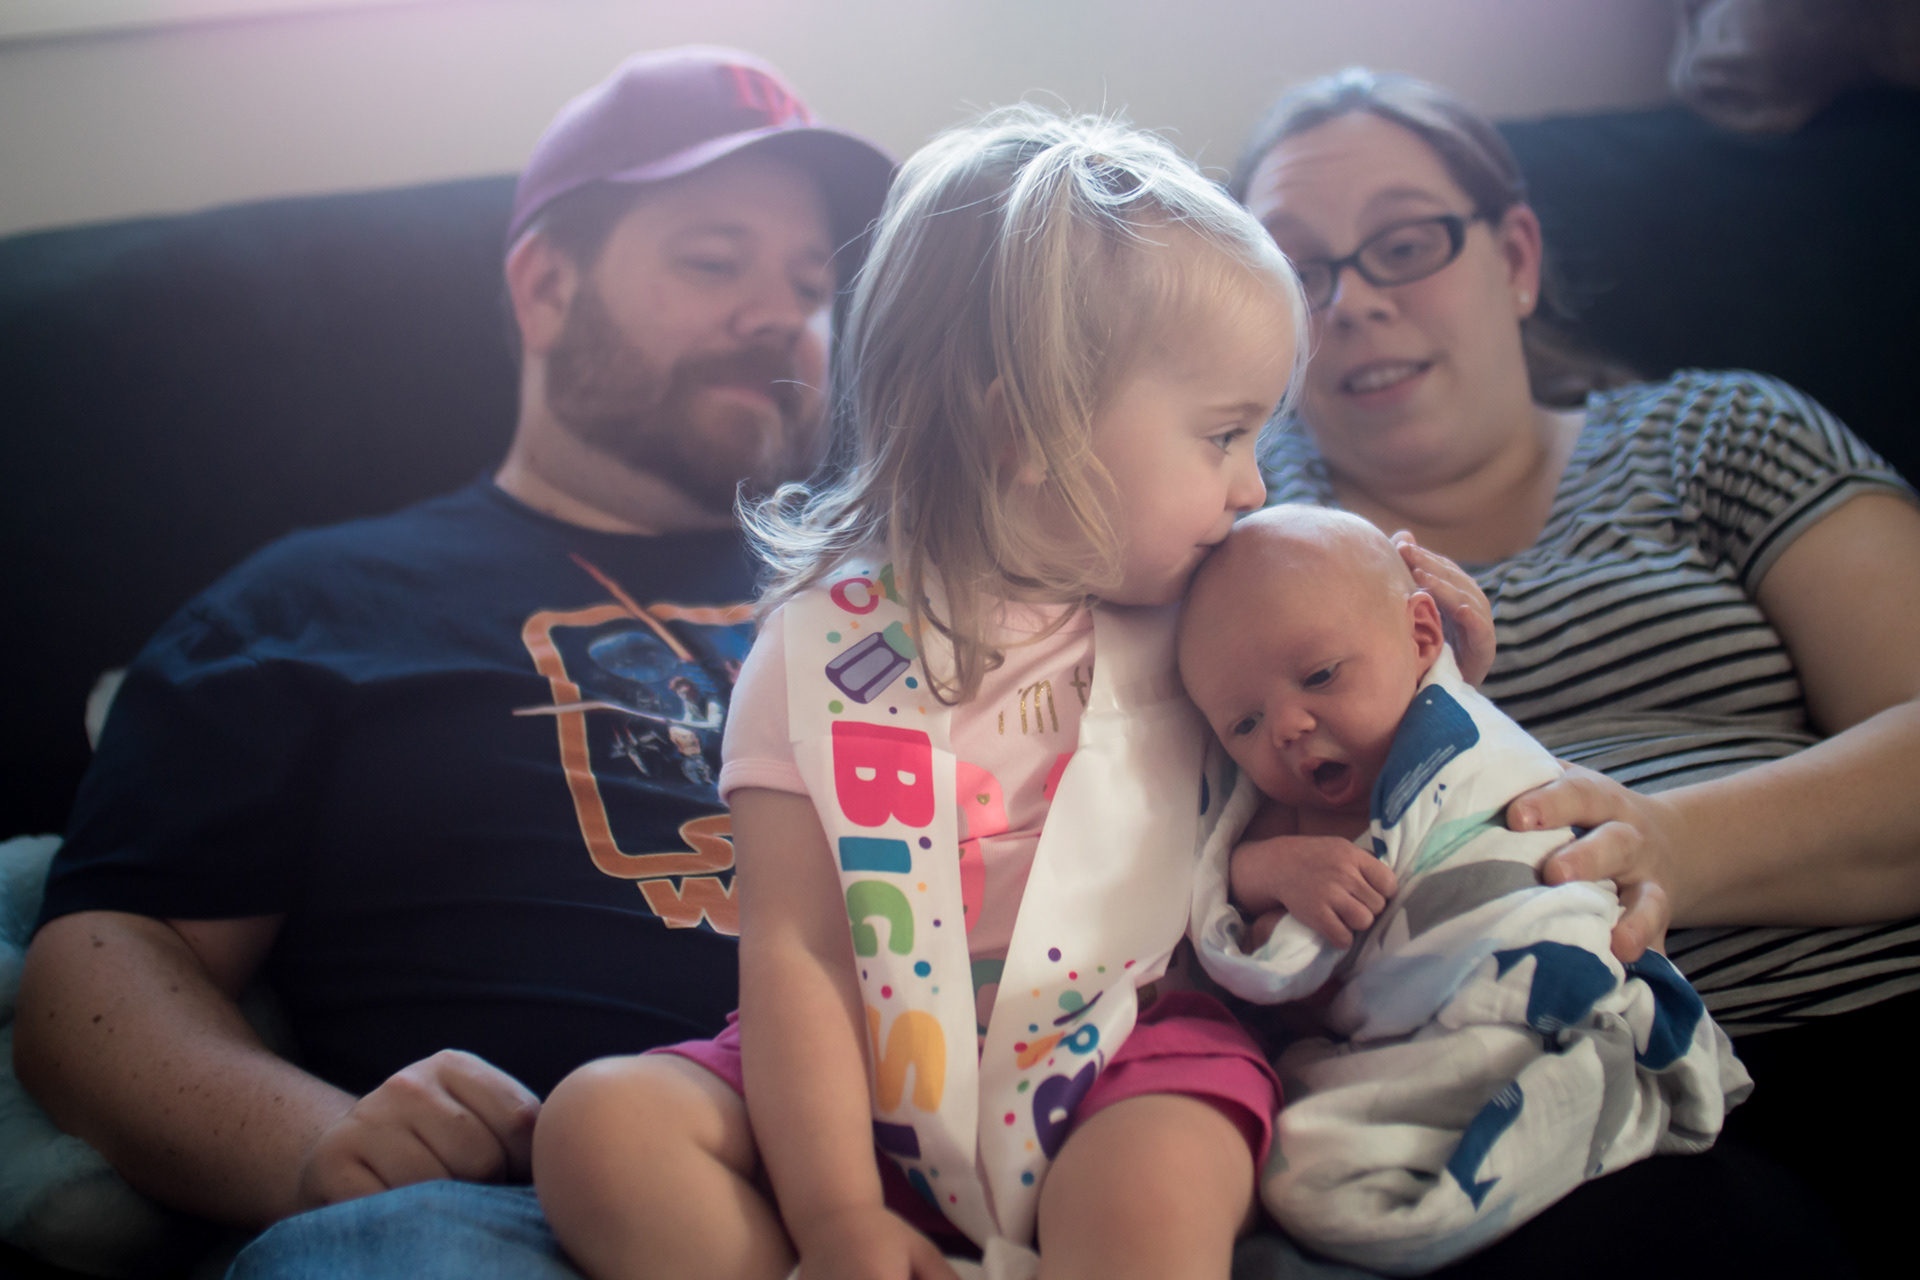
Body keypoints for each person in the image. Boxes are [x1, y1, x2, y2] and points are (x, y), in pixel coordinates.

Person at [12, 47, 893, 1277]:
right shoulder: (315, 602)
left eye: (812, 283)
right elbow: (99, 967)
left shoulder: (904, 595)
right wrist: (317, 1146)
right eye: (712, 260)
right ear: (546, 287)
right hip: (503, 1213)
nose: (779, 316)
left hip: (935, 1181)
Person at [528, 107, 1309, 1280]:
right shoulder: (813, 653)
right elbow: (798, 950)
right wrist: (836, 1209)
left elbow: (1349, 674)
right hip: (860, 1064)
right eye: (1225, 435)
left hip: (1120, 1044)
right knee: (600, 1127)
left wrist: (1405, 610)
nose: (1254, 486)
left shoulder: (1212, 599)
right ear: (1027, 428)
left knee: (1157, 1177)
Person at [1233, 66, 1920, 1276]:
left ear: (1515, 257)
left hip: (1868, 994)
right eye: (1299, 272)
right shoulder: (1229, 547)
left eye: (1405, 244)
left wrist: (1672, 844)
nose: (1354, 303)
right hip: (1532, 1091)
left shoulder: (1717, 434)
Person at [1179, 505, 1747, 1273]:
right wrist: (1274, 870)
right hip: (1411, 1031)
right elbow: (1225, 899)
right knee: (1303, 1167)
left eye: (1318, 676)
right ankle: (1562, 1107)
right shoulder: (1278, 813)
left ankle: (1575, 1083)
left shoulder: (1447, 722)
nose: (1286, 726)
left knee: (1317, 1177)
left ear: (1422, 639)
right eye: (1243, 725)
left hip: (1537, 941)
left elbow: (1470, 763)